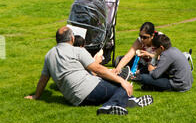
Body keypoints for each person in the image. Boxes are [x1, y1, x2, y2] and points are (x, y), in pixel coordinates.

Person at [25, 26, 153, 115]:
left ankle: (129, 100)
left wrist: (36, 96)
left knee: (112, 85)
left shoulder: (49, 55)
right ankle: (110, 105)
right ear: (72, 39)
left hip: (72, 99)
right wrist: (121, 81)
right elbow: (97, 69)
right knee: (122, 86)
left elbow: (43, 79)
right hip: (88, 90)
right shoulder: (77, 50)